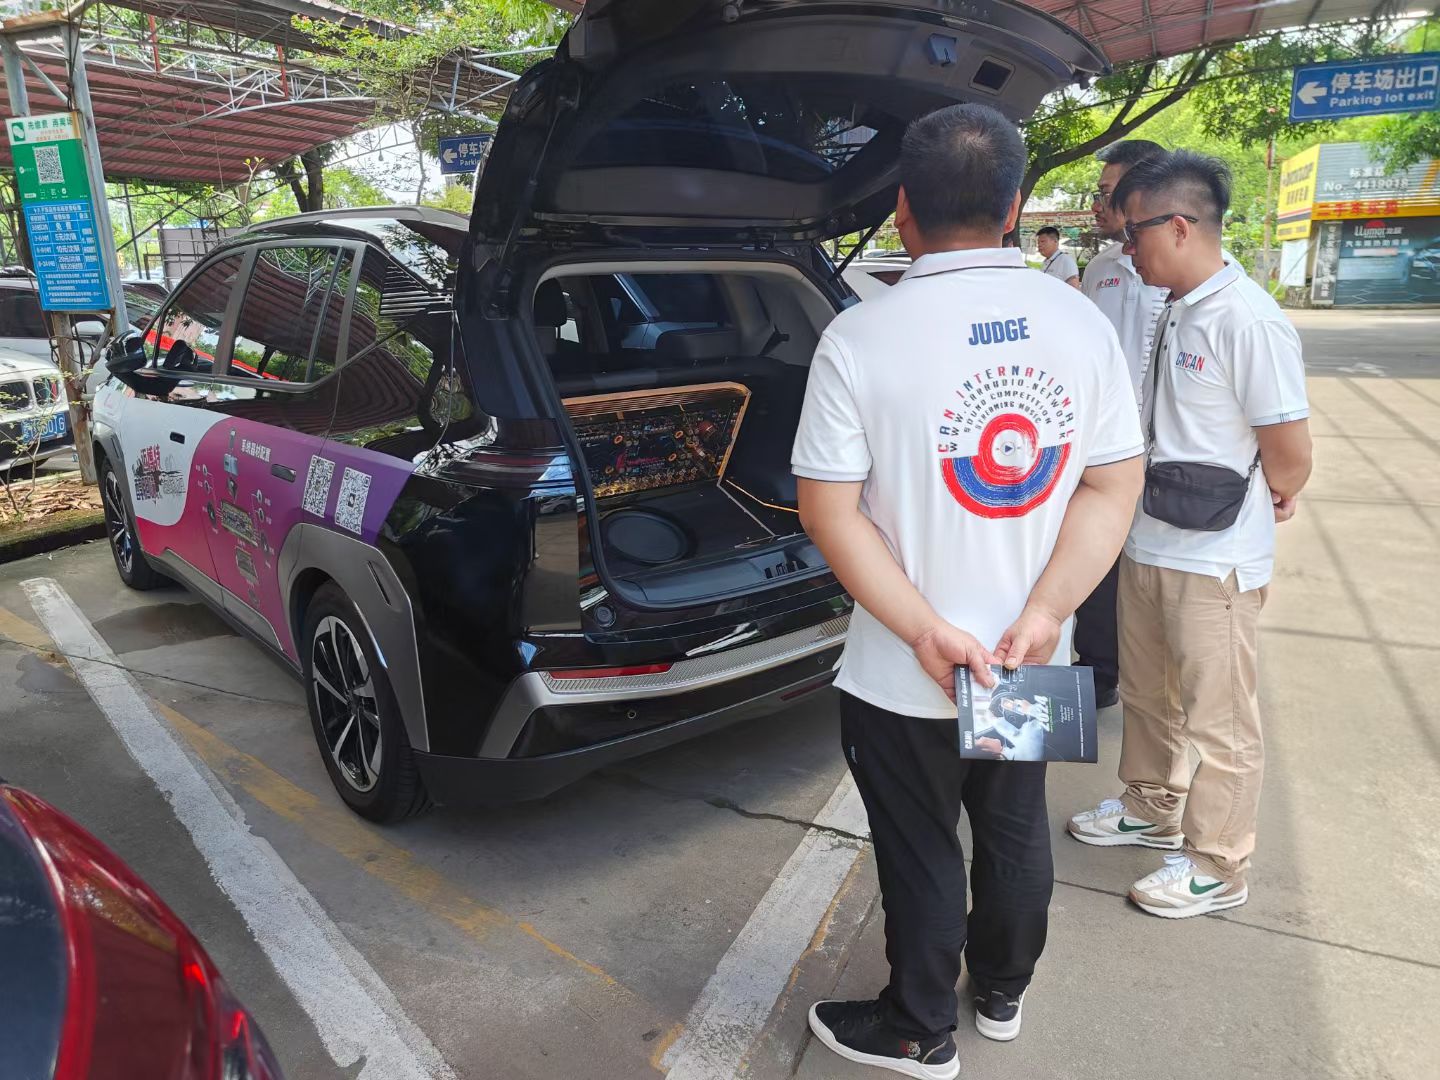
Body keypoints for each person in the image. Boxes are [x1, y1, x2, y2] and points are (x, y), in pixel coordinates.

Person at [793, 103, 1144, 1078]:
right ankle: (1001, 990)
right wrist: (1046, 613)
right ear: (1014, 205)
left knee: (920, 846)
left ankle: (917, 1026)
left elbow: (828, 511)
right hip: (1031, 655)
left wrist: (921, 629)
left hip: (901, 671)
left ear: (902, 206)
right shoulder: (1078, 321)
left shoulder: (860, 337)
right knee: (1014, 824)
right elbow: (1113, 485)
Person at [1067, 151, 1313, 919]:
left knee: (1220, 719)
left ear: (1179, 227)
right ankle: (1150, 805)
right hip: (1149, 537)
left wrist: (1278, 490)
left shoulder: (1248, 320)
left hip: (1214, 558)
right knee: (1149, 694)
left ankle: (1218, 862)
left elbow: (1291, 453)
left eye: (1134, 230)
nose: (1126, 246)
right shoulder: (1179, 305)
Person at [1073, 139, 1167, 709]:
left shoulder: (1193, 268)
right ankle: (1099, 673)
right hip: (1105, 448)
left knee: (1155, 571)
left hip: (1169, 455)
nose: (1098, 205)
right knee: (1096, 560)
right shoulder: (1100, 269)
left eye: (1109, 193)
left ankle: (1153, 677)